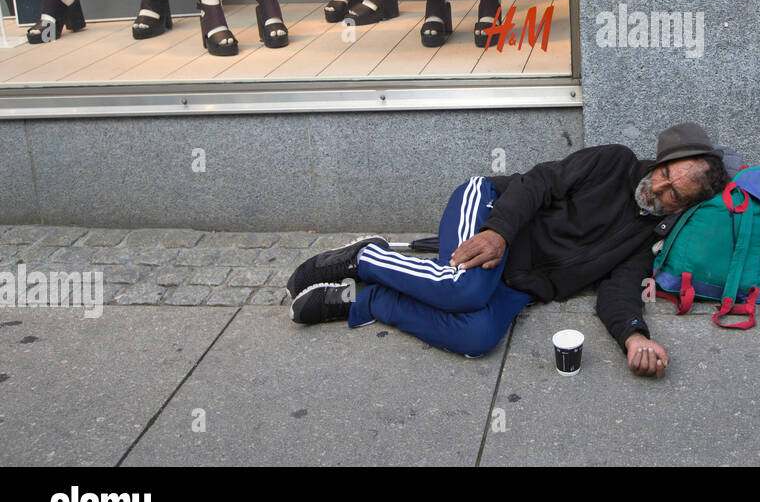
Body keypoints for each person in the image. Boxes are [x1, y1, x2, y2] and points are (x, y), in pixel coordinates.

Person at [287, 122, 729, 378]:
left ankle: (363, 300)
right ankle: (363, 257)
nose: (660, 188)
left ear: (685, 206)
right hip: (492, 210)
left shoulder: (642, 240)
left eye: (674, 194)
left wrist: (634, 335)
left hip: (520, 282)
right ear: (661, 160)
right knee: (465, 292)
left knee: (477, 339)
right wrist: (497, 231)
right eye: (665, 173)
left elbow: (620, 291)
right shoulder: (613, 161)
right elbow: (538, 182)